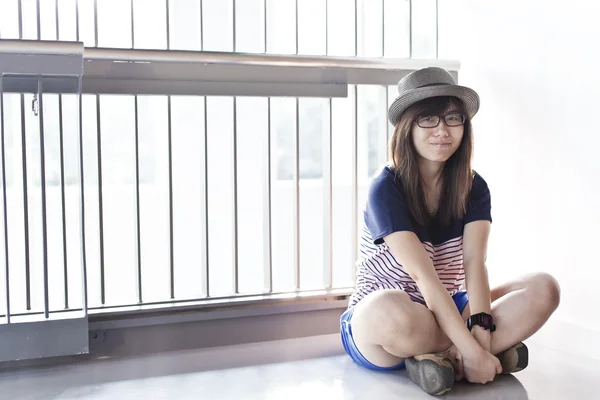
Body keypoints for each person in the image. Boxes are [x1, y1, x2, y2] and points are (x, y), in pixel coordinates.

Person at [340, 67, 561, 396]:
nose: (442, 131)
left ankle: (441, 360)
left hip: (447, 306)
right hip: (389, 321)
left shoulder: (474, 187)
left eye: (453, 118)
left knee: (544, 287)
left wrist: (481, 333)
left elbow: (475, 264)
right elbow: (424, 278)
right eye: (428, 119)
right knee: (389, 309)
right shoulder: (385, 187)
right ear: (407, 127)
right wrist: (474, 351)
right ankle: (465, 354)